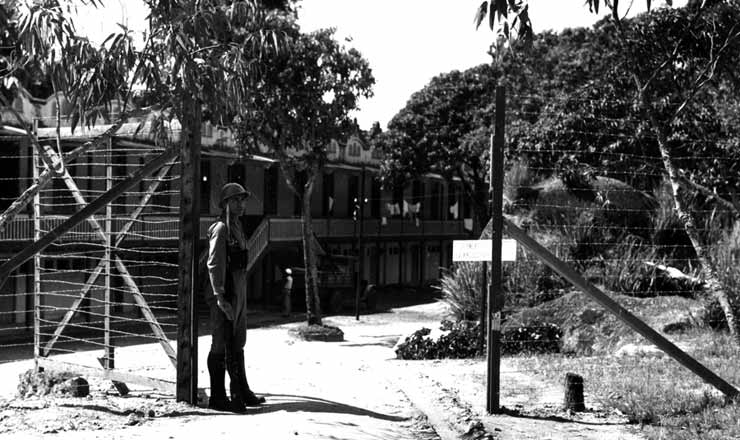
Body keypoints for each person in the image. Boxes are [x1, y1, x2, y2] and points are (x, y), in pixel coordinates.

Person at [206, 182, 265, 412]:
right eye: (236, 200)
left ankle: (242, 390)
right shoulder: (221, 228)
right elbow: (214, 264)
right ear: (225, 204)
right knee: (220, 343)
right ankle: (218, 397)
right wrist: (220, 297)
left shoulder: (238, 227)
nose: (241, 204)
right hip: (224, 292)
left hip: (239, 290)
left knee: (238, 341)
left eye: (242, 200)